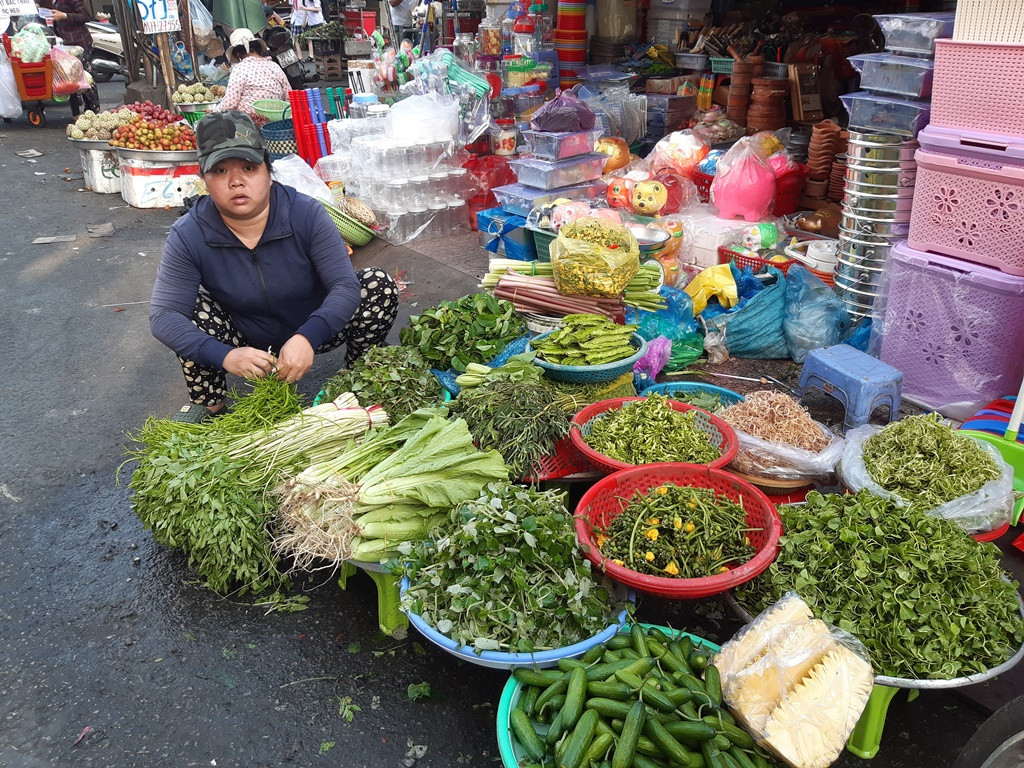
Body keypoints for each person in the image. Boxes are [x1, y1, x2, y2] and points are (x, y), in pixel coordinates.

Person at [149, 111, 399, 419]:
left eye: (249, 168)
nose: (236, 181)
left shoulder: (306, 214)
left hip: (315, 325)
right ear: (204, 179)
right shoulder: (189, 233)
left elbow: (344, 286)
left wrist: (308, 336)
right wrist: (226, 355)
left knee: (377, 285)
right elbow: (164, 316)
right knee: (189, 313)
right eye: (220, 170)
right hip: (245, 338)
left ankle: (359, 379)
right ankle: (210, 407)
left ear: (268, 170)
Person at [211, 28, 289, 127]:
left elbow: (230, 104)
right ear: (257, 48)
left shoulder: (240, 69)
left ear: (238, 54)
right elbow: (289, 97)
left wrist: (214, 111)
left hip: (248, 125)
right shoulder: (274, 66)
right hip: (276, 124)